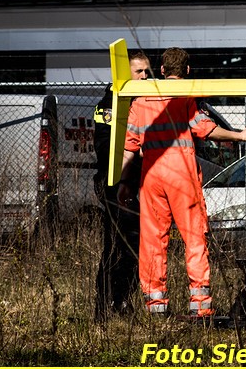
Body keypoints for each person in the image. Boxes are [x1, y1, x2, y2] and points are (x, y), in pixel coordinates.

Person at [118, 47, 246, 318]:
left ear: (161, 70)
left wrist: (124, 182)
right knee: (194, 238)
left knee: (153, 240)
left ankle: (155, 305)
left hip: (151, 177)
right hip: (181, 175)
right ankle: (200, 305)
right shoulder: (186, 96)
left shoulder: (141, 99)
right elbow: (206, 129)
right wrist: (241, 135)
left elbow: (129, 147)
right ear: (188, 71)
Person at [92, 49, 152, 321]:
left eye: (147, 71)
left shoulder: (146, 102)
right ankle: (104, 306)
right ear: (124, 74)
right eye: (139, 71)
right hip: (115, 183)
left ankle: (122, 300)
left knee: (137, 245)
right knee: (116, 246)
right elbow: (105, 147)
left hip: (141, 183)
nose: (144, 76)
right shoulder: (110, 104)